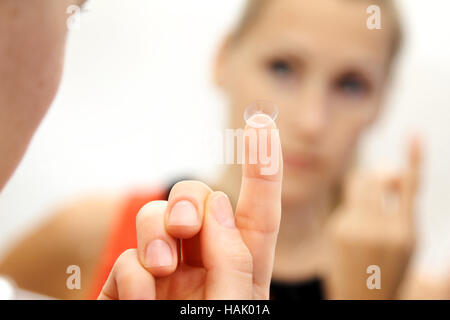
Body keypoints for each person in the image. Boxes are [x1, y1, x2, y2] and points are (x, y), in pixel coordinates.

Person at [0, 0, 448, 299]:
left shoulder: (415, 292)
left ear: (382, 102)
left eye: (351, 85)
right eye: (282, 67)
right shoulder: (99, 236)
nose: (312, 121)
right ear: (222, 61)